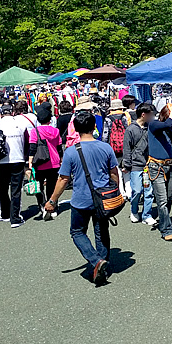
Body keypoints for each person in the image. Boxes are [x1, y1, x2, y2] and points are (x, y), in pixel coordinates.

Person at [45, 111, 119, 286]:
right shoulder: (105, 147)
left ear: (76, 129)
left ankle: (95, 262)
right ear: (94, 127)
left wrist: (53, 200)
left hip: (81, 199)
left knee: (77, 232)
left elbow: (63, 179)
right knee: (101, 232)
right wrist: (114, 190)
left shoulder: (71, 152)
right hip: (102, 198)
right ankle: (102, 265)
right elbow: (114, 173)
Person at [0, 103, 33, 228]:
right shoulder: (20, 124)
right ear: (12, 112)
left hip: (1, 160)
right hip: (18, 158)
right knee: (16, 189)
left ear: (1, 114)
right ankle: (15, 217)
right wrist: (26, 157)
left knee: (2, 188)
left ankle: (5, 213)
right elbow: (28, 141)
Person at [147, 103, 172, 241]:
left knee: (170, 197)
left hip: (169, 165)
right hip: (155, 167)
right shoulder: (154, 125)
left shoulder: (169, 129)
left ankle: (165, 220)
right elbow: (167, 123)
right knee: (162, 200)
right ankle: (166, 229)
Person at [27, 106, 62, 220]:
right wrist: (61, 159)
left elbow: (32, 147)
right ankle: (53, 206)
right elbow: (59, 147)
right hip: (54, 162)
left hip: (40, 162)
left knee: (39, 186)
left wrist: (30, 161)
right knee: (52, 186)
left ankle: (42, 206)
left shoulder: (34, 131)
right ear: (50, 120)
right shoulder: (56, 131)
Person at [123, 103, 155, 226]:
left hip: (149, 163)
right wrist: (127, 164)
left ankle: (147, 214)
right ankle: (134, 210)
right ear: (144, 114)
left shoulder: (150, 127)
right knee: (137, 190)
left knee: (149, 191)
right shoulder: (131, 129)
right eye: (151, 114)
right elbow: (127, 148)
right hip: (136, 165)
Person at [103, 99, 130, 199]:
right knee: (126, 168)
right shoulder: (125, 116)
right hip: (125, 146)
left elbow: (105, 135)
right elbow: (128, 131)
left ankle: (121, 192)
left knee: (116, 169)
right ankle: (129, 191)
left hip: (113, 147)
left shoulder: (108, 118)